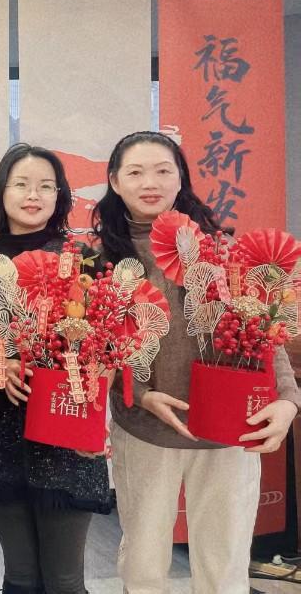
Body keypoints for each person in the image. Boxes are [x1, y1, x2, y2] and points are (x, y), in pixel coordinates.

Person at [92, 131, 300, 593]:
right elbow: (96, 352)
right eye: (136, 172)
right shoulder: (100, 260)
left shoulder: (221, 249)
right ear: (115, 181)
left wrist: (288, 400)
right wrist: (140, 395)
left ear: (181, 178)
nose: (150, 182)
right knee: (144, 565)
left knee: (224, 566)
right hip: (145, 430)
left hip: (229, 430)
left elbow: (266, 327)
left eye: (163, 170)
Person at [0, 143, 111, 594]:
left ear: (60, 195)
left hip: (68, 431)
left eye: (46, 186)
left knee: (65, 580)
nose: (34, 195)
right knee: (20, 577)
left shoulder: (84, 257)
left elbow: (107, 341)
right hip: (3, 429)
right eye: (22, 184)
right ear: (1, 191)